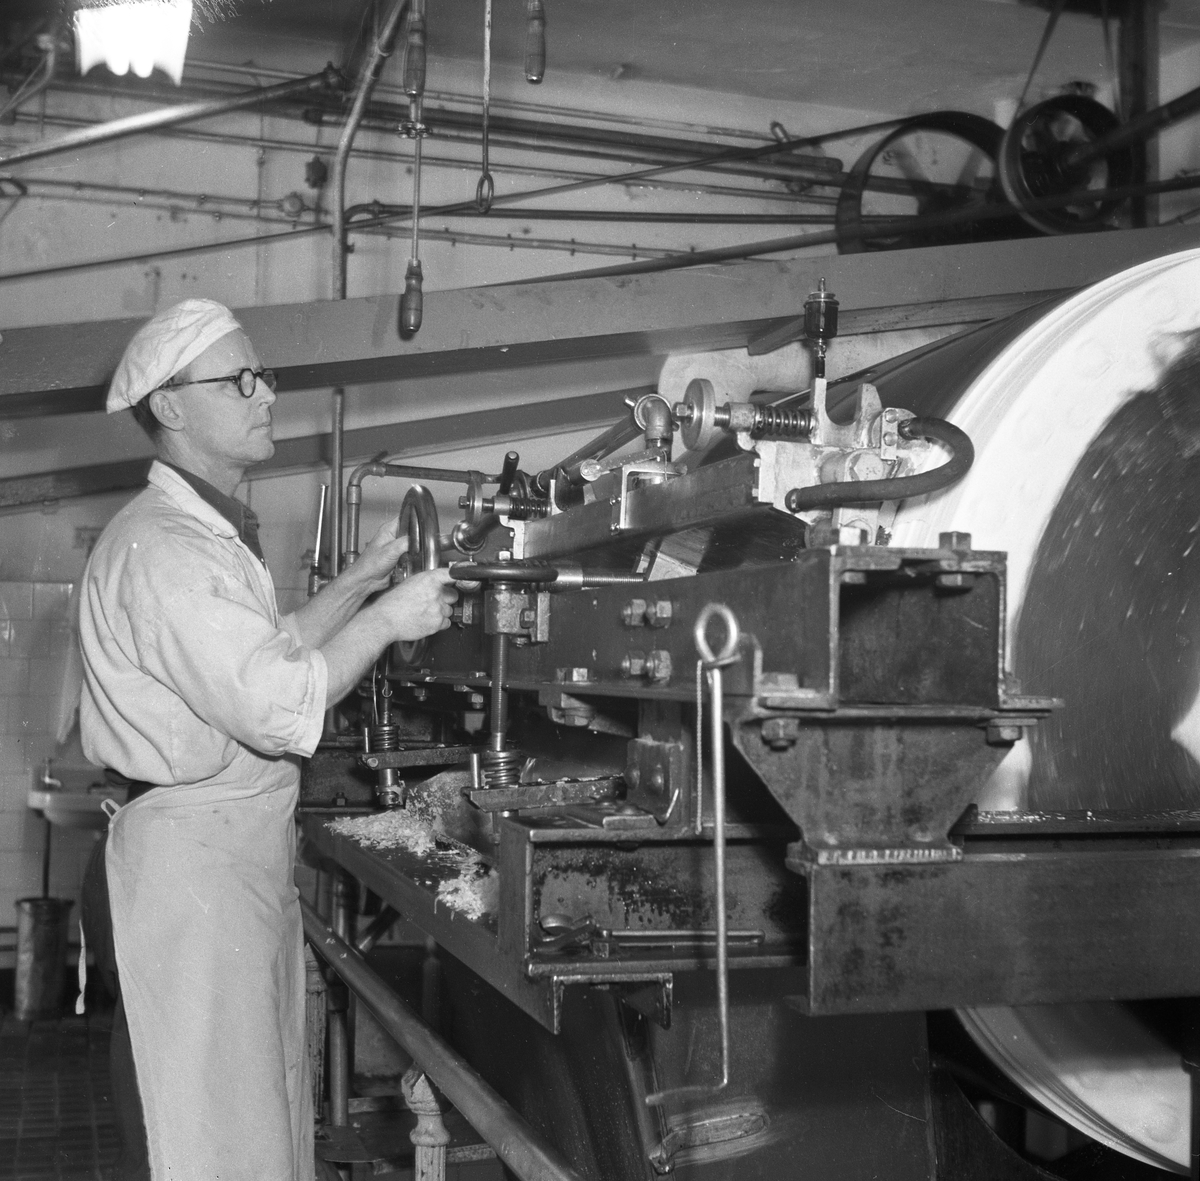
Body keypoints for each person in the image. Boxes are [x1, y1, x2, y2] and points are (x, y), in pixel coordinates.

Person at [77, 298, 457, 1181]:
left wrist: (364, 578)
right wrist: (391, 619)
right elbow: (278, 700)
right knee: (209, 1139)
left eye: (264, 376)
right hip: (191, 875)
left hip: (222, 860)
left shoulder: (204, 534)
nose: (266, 395)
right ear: (170, 407)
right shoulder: (164, 548)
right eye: (239, 380)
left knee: (247, 1120)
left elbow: (271, 647)